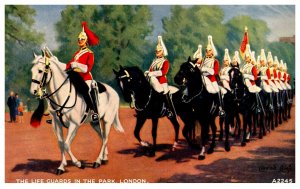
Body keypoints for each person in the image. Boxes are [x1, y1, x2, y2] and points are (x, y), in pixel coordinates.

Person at [66, 22, 100, 123]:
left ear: (86, 41)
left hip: (86, 77)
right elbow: (70, 64)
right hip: (75, 76)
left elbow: (87, 68)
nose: (80, 41)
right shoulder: (77, 53)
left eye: (82, 39)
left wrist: (76, 65)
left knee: (85, 91)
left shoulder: (90, 53)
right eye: (79, 39)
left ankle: (94, 112)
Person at [144, 35, 176, 118]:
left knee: (165, 93)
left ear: (162, 52)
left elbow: (163, 72)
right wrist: (147, 73)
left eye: (158, 51)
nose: (156, 53)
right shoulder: (154, 61)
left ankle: (169, 110)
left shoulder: (165, 61)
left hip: (162, 81)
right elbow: (151, 69)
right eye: (156, 51)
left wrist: (152, 73)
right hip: (152, 80)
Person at [199, 35, 225, 117]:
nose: (207, 52)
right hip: (202, 78)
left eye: (209, 50)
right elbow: (200, 69)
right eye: (206, 50)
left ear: (212, 51)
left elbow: (215, 72)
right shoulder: (203, 60)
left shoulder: (215, 61)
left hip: (212, 80)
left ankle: (220, 108)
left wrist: (205, 69)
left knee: (218, 90)